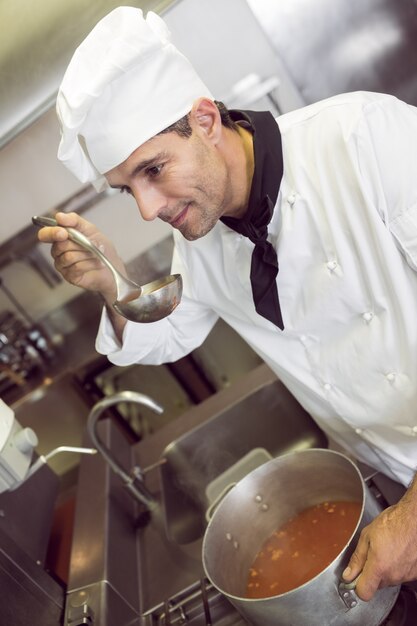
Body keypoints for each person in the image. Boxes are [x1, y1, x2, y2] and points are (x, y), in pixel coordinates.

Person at [37, 6, 417, 602]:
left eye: (153, 170)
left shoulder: (364, 137)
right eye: (126, 189)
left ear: (206, 119)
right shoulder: (205, 239)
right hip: (395, 487)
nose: (146, 208)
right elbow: (172, 333)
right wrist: (113, 283)